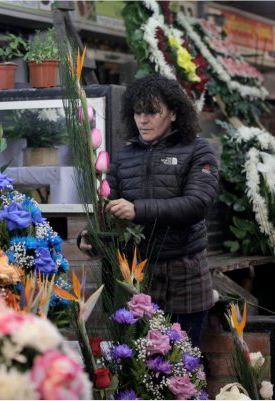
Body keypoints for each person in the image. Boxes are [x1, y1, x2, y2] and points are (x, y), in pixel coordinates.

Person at [79, 75, 219, 347]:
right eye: (138, 112)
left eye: (153, 112)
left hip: (185, 276)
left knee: (184, 369)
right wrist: (91, 236)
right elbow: (110, 209)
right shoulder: (124, 155)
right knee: (140, 371)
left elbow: (198, 204)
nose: (143, 120)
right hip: (137, 278)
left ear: (174, 113)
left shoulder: (198, 150)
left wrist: (138, 210)